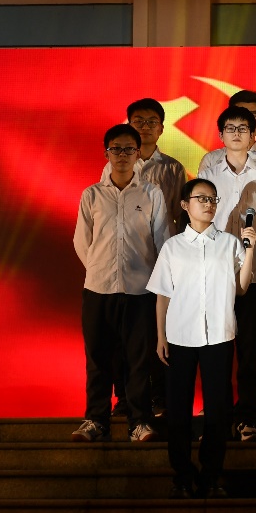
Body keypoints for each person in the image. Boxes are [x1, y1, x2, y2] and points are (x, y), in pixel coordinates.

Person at [149, 178, 254, 498]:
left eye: (213, 199)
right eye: (201, 199)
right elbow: (163, 295)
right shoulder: (173, 246)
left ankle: (211, 474)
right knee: (178, 410)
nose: (209, 204)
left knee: (218, 410)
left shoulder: (229, 243)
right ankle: (182, 475)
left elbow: (242, 288)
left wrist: (249, 250)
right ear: (185, 205)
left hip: (219, 335)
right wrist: (160, 335)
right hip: (180, 335)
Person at [72, 124, 169, 443]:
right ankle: (95, 420)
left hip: (140, 291)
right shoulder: (92, 195)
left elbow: (161, 241)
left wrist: (155, 282)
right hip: (98, 289)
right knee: (98, 358)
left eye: (129, 149)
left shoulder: (151, 194)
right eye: (116, 148)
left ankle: (139, 423)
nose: (122, 154)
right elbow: (81, 241)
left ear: (138, 153)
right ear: (107, 153)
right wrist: (99, 269)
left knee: (139, 359)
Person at [198, 106, 256, 441]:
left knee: (250, 350)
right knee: (216, 350)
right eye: (230, 128)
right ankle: (217, 420)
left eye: (243, 128)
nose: (236, 133)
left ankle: (248, 417)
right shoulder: (209, 174)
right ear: (221, 134)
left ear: (253, 135)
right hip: (216, 274)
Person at [99, 98, 185, 418]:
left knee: (158, 332)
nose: (145, 127)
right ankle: (124, 398)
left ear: (161, 129)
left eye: (151, 122)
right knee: (122, 335)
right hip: (122, 263)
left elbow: (179, 216)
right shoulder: (114, 165)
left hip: (160, 262)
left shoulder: (173, 168)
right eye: (138, 121)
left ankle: (159, 397)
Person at [198, 89, 256, 198]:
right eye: (241, 115)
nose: (247, 121)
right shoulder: (211, 160)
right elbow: (201, 200)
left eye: (253, 115)